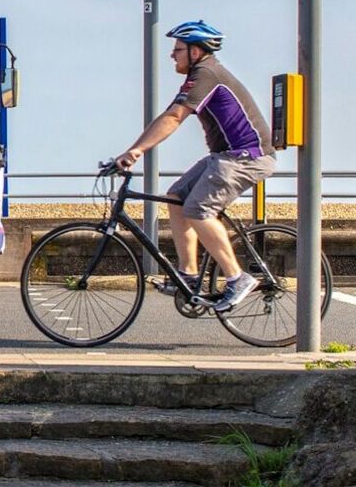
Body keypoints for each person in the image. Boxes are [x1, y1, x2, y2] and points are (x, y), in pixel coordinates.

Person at [112, 20, 276, 314]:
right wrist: (132, 149)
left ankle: (237, 278)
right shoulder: (199, 75)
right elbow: (168, 115)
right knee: (176, 197)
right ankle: (187, 275)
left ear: (196, 51)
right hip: (225, 156)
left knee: (198, 209)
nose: (172, 55)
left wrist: (135, 152)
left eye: (178, 49)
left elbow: (175, 117)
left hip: (246, 157)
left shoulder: (206, 73)